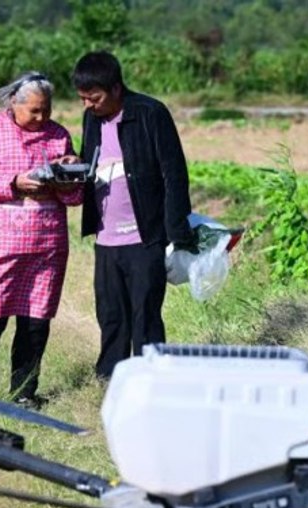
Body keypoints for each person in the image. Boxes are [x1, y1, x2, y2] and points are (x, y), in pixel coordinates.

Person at [0, 71, 82, 408]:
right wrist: (14, 183)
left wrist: (70, 175)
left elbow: (74, 198)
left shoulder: (58, 136)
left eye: (47, 110)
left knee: (36, 320)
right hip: (2, 242)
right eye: (35, 111)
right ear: (14, 104)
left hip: (47, 245)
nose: (42, 118)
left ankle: (24, 392)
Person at [71, 51, 196, 380]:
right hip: (105, 237)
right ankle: (110, 378)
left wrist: (176, 231)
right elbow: (92, 162)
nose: (88, 105)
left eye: (93, 97)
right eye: (83, 99)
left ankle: (149, 378)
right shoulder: (92, 119)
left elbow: (174, 175)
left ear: (115, 88)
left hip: (145, 236)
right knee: (111, 315)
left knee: (145, 315)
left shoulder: (150, 113)